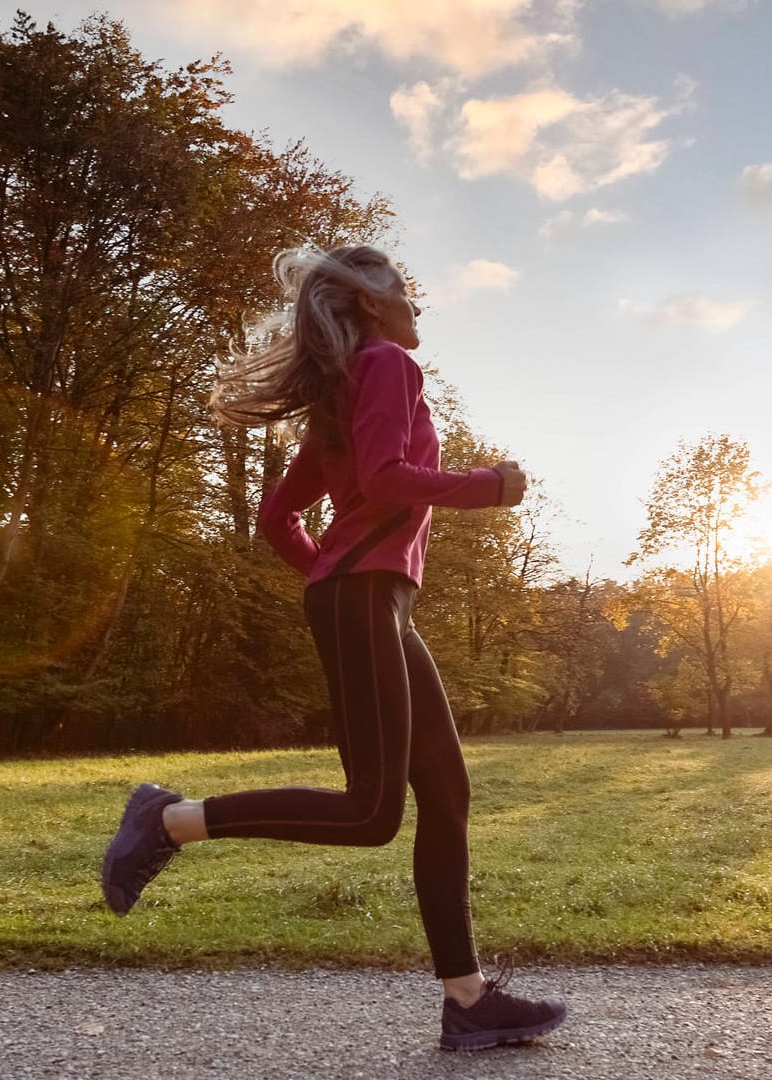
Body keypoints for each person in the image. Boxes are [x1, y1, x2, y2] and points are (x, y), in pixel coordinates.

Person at [99, 243, 568, 1052]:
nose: (418, 306)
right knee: (370, 810)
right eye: (407, 293)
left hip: (374, 599)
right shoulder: (388, 365)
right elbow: (386, 481)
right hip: (365, 597)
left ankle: (467, 999)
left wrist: (336, 575)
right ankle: (169, 820)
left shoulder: (343, 401)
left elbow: (276, 518)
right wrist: (485, 487)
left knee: (446, 793)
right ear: (372, 305)